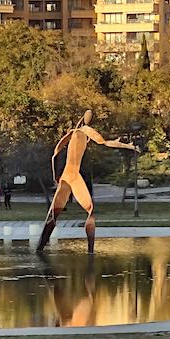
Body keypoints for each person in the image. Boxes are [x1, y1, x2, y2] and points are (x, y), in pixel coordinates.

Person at [36, 110, 140, 256]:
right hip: (73, 176)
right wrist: (129, 146)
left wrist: (56, 176)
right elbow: (104, 142)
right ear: (88, 120)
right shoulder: (86, 130)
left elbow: (55, 154)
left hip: (66, 176)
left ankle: (40, 247)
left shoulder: (73, 132)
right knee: (89, 211)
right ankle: (90, 251)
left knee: (54, 213)